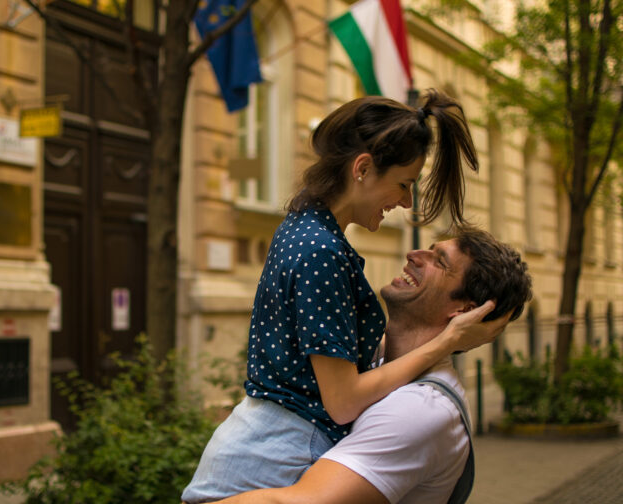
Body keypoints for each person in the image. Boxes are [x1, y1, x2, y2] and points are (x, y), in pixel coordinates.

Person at [182, 91, 506, 503]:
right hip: (273, 455)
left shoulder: (305, 227)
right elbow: (344, 402)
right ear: (363, 168)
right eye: (404, 184)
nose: (406, 201)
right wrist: (448, 342)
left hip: (260, 445)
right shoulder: (323, 252)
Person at [215, 227, 533, 504]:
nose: (413, 254)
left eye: (440, 261)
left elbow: (305, 502)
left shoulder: (420, 409)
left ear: (464, 311)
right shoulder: (378, 364)